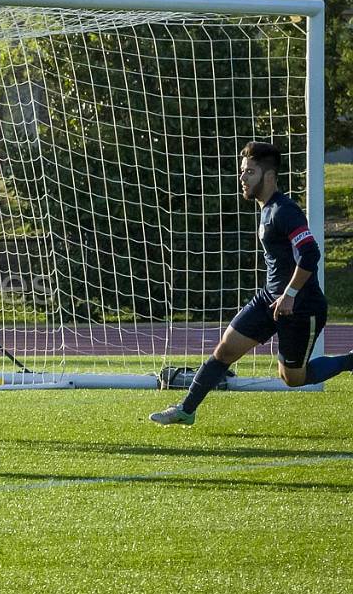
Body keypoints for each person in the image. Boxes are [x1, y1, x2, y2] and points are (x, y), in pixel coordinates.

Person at [150, 141, 352, 426]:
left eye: (249, 172)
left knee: (293, 378)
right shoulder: (266, 209)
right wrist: (280, 295)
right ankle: (186, 410)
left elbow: (310, 254)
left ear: (269, 176)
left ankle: (350, 360)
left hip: (301, 306)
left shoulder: (285, 211)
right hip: (270, 299)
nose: (242, 178)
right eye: (242, 171)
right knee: (225, 349)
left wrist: (291, 294)